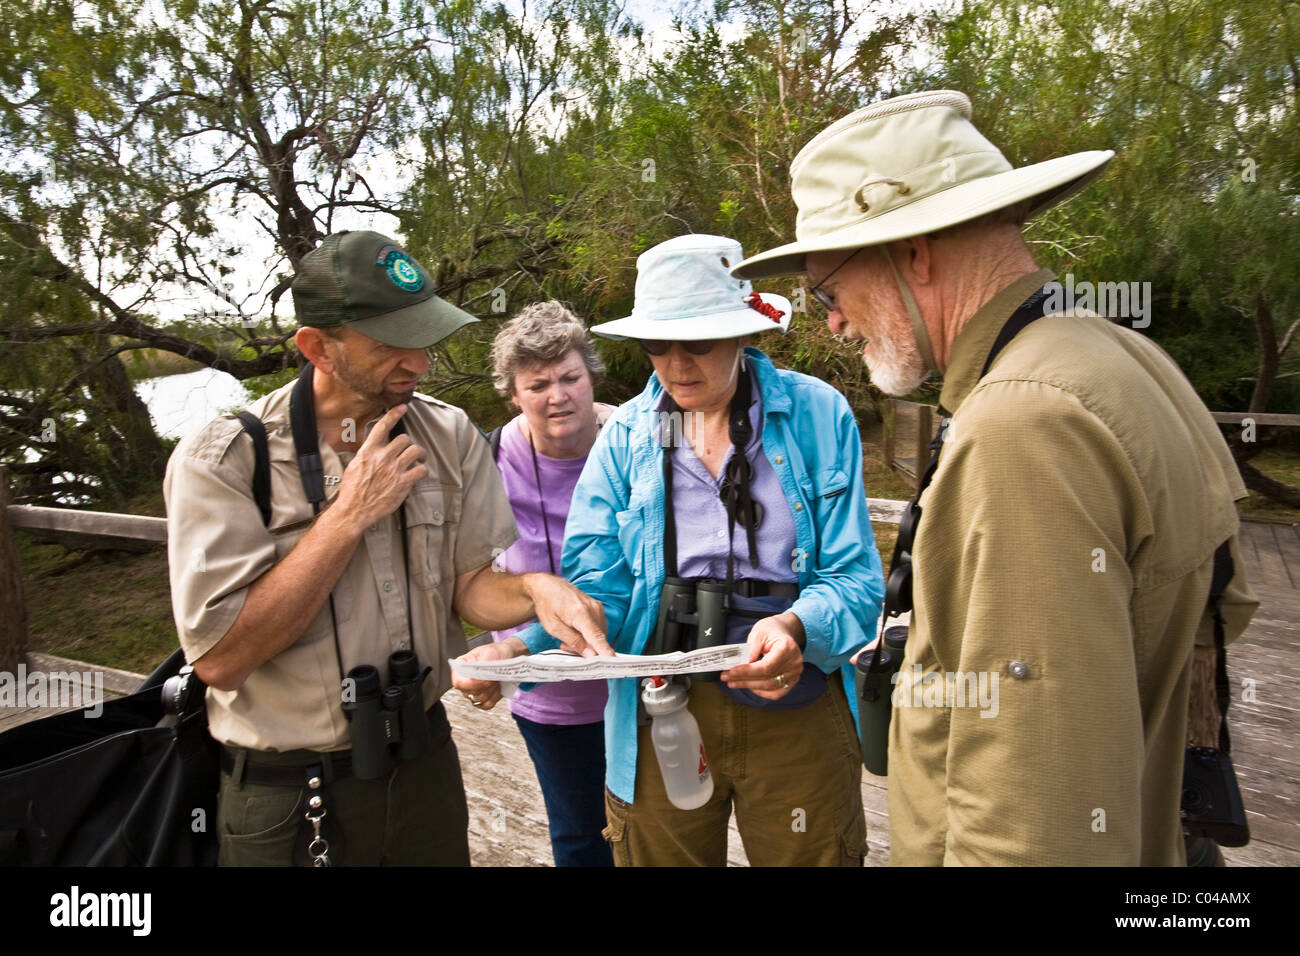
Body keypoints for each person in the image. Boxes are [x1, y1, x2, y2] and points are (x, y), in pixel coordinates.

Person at [732, 90, 1260, 865]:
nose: (832, 321)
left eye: (828, 290)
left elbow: (1033, 819)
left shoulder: (1022, 426)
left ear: (914, 251)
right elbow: (1219, 610)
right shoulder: (1119, 355)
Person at [163, 230, 607, 867]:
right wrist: (348, 517)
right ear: (318, 347)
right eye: (392, 345)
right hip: (290, 792)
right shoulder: (226, 462)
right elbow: (223, 661)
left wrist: (535, 589)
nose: (418, 363)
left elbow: (471, 589)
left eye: (423, 339)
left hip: (425, 765)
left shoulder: (446, 432)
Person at [460, 234, 883, 866]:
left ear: (743, 334)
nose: (677, 365)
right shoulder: (626, 437)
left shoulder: (818, 414)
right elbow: (598, 588)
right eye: (658, 344)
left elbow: (855, 580)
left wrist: (797, 626)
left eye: (699, 342)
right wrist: (519, 649)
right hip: (660, 697)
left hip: (793, 695)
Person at [460, 301, 615, 867]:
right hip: (549, 691)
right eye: (538, 385)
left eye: (571, 377)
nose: (559, 395)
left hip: (641, 679)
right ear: (514, 396)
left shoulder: (634, 439)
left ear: (591, 377)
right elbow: (473, 577)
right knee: (579, 833)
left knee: (658, 828)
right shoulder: (488, 460)